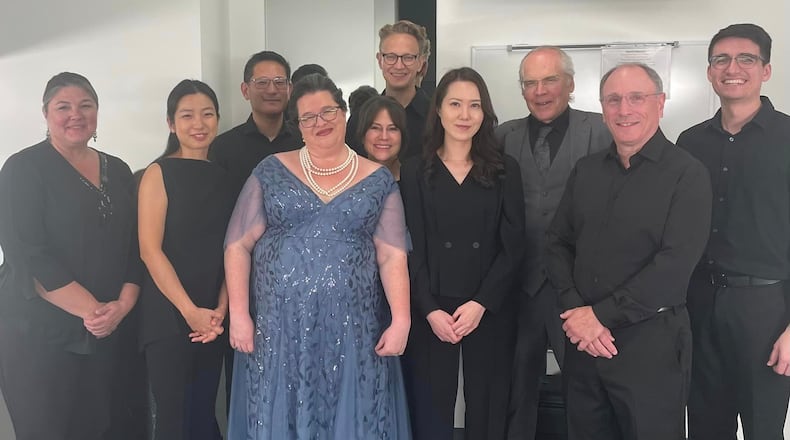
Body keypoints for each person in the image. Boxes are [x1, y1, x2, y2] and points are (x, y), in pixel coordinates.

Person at [224, 73, 411, 439]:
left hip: (353, 329)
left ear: (344, 114)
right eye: (308, 117)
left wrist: (401, 320)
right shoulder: (271, 170)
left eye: (328, 111)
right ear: (299, 126)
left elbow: (392, 255)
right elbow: (237, 245)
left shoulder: (378, 178)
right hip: (279, 330)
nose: (320, 122)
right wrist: (239, 315)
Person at [544, 63, 712, 440]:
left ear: (660, 104)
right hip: (584, 347)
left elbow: (674, 266)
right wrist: (576, 312)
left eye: (637, 98)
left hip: (650, 348)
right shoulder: (586, 171)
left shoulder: (688, 174)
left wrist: (599, 317)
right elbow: (557, 242)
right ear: (603, 108)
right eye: (614, 100)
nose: (625, 109)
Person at [0, 72, 141, 440]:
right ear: (46, 113)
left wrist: (122, 308)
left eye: (86, 105)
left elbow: (134, 248)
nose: (75, 115)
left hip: (109, 328)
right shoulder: (22, 168)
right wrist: (93, 311)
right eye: (63, 107)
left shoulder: (120, 169)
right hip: (40, 333)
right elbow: (27, 254)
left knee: (106, 427)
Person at [676, 23, 790, 440]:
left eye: (746, 58)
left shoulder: (788, 138)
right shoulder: (689, 143)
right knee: (704, 426)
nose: (732, 68)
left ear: (766, 70)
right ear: (709, 72)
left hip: (766, 308)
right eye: (720, 59)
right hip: (699, 304)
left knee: (763, 428)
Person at [400, 67, 526, 440]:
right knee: (429, 405)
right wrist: (429, 309)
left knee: (488, 407)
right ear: (438, 110)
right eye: (455, 104)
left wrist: (482, 303)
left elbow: (514, 245)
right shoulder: (415, 171)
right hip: (432, 306)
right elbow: (410, 246)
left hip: (487, 305)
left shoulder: (505, 170)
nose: (464, 115)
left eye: (474, 105)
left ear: (485, 113)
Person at [495, 46, 611, 440]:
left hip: (577, 293)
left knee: (585, 391)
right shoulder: (502, 136)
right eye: (530, 83)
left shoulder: (602, 130)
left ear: (571, 84)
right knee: (515, 391)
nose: (540, 91)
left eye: (550, 80)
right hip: (517, 288)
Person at [138, 79, 235, 440]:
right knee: (174, 420)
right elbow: (150, 250)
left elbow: (232, 249)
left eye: (207, 114)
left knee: (203, 414)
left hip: (211, 318)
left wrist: (221, 309)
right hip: (169, 316)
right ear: (171, 123)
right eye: (187, 115)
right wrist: (189, 310)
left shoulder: (225, 178)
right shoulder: (158, 173)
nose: (199, 124)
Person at [209, 50, 300, 200]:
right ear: (245, 91)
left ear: (289, 90)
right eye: (262, 82)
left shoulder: (304, 142)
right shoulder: (222, 148)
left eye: (279, 82)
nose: (272, 90)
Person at [346, 20, 432, 159]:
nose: (399, 66)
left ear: (420, 63)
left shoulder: (437, 118)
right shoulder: (359, 118)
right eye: (390, 57)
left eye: (408, 58)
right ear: (380, 60)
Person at [357, 95, 408, 180]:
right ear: (363, 135)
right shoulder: (347, 183)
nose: (384, 137)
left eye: (392, 129)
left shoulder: (417, 180)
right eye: (375, 128)